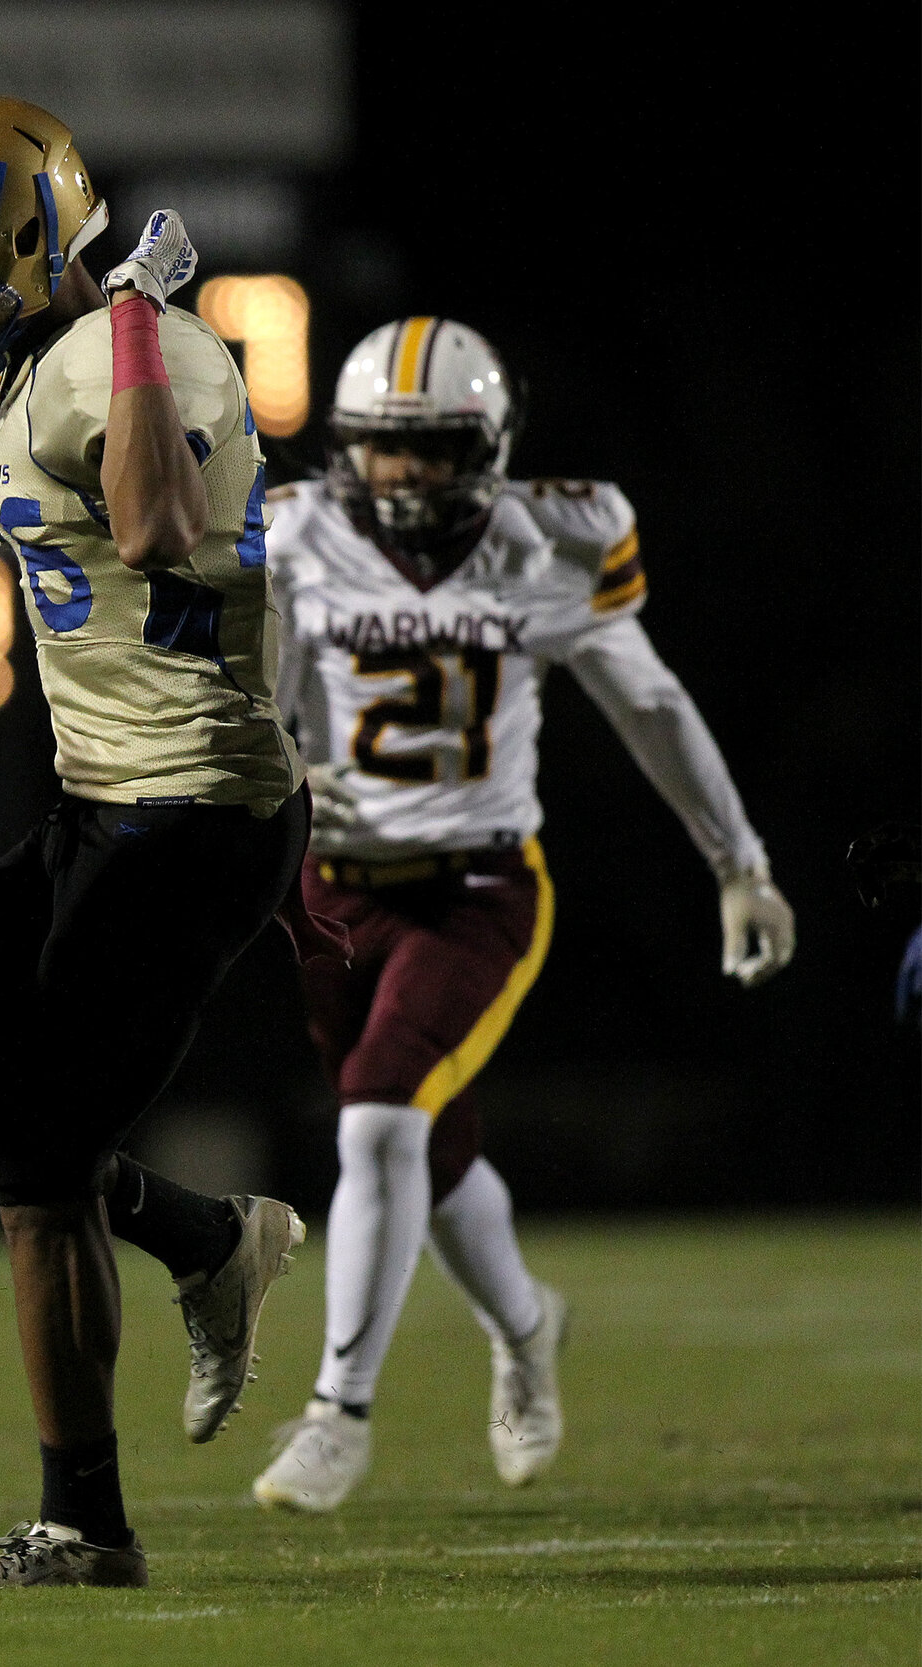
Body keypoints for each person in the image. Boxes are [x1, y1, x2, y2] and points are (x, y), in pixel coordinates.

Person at [0, 97, 319, 1589]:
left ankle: (86, 1524)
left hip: (197, 810)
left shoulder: (150, 355)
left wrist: (130, 322)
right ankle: (203, 1236)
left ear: (36, 246)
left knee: (38, 1164)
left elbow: (159, 524)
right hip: (100, 803)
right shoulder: (14, 357)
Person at [253, 317, 798, 1511]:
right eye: (383, 450)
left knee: (378, 1123)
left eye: (434, 448)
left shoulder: (551, 543)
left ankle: (339, 1411)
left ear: (489, 446)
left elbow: (652, 706)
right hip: (332, 895)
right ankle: (527, 1327)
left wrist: (737, 861)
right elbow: (266, 714)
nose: (404, 475)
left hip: (477, 888)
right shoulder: (296, 538)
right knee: (429, 1150)